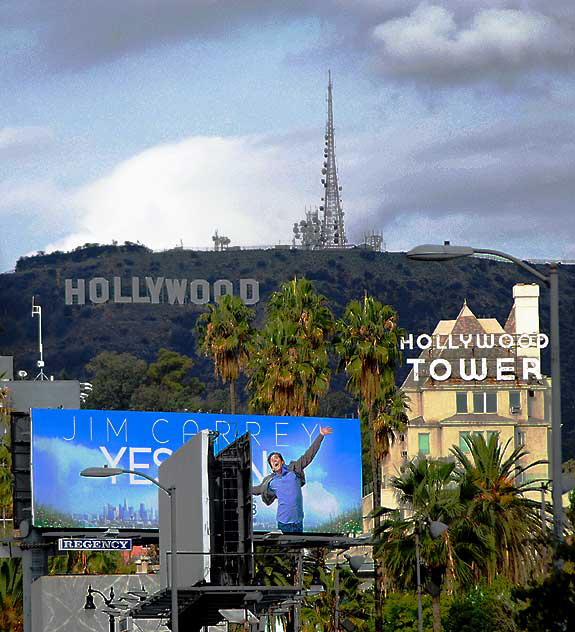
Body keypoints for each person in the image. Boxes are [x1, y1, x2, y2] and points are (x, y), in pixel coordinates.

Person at [252, 426, 333, 533]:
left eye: (276, 458)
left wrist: (321, 435)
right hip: (284, 523)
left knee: (299, 546)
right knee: (286, 549)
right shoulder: (271, 482)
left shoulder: (294, 470)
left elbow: (308, 456)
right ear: (272, 467)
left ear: (282, 462)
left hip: (298, 522)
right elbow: (257, 490)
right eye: (272, 460)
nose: (274, 460)